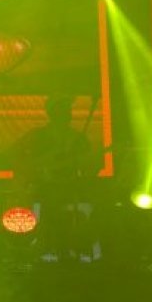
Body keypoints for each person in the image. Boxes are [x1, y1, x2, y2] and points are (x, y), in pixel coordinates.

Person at [13, 94, 98, 260]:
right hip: (43, 187)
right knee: (49, 210)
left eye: (68, 110)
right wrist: (36, 167)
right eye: (62, 110)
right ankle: (47, 247)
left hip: (70, 187)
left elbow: (89, 166)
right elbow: (15, 156)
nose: (67, 114)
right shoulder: (37, 136)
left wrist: (85, 164)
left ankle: (72, 248)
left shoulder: (78, 139)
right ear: (52, 113)